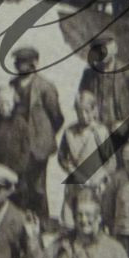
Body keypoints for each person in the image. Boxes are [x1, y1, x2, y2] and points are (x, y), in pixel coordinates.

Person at [10, 47, 64, 221]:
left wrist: (43, 136)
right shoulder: (13, 86)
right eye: (17, 62)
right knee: (20, 186)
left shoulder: (45, 87)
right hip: (19, 147)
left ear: (34, 63)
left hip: (38, 148)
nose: (18, 66)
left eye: (22, 62)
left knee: (38, 188)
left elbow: (57, 117)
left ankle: (42, 223)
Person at [50, 90, 110, 230]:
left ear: (94, 110)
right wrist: (72, 171)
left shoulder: (101, 132)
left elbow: (110, 161)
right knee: (69, 223)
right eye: (80, 112)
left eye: (87, 111)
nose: (84, 116)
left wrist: (100, 179)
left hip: (95, 186)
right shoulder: (69, 132)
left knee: (93, 224)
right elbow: (62, 157)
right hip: (75, 185)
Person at [0, 85, 36, 212]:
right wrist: (0, 172)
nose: (5, 107)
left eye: (8, 103)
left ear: (13, 103)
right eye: (1, 103)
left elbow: (26, 152)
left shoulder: (21, 124)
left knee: (18, 211)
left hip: (18, 179)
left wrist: (14, 172)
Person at [78, 35, 129, 133]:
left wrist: (126, 124)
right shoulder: (89, 74)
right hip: (96, 133)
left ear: (115, 49)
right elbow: (81, 104)